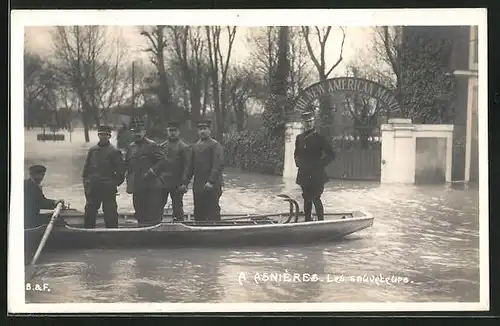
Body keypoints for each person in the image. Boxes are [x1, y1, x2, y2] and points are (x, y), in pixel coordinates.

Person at [124, 120, 168, 227]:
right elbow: (128, 166)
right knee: (139, 213)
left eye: (139, 131)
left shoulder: (152, 145)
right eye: (135, 132)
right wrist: (128, 182)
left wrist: (152, 171)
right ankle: (142, 235)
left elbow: (163, 161)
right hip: (137, 187)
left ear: (144, 132)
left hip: (151, 187)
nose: (137, 134)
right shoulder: (131, 147)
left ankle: (154, 239)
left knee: (153, 215)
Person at [294, 111, 336, 222]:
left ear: (313, 122)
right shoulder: (299, 138)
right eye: (306, 122)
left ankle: (321, 222)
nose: (309, 124)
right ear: (303, 123)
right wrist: (298, 163)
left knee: (316, 198)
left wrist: (320, 164)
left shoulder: (320, 138)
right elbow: (296, 154)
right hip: (304, 174)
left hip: (317, 174)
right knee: (306, 198)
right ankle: (307, 222)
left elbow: (332, 154)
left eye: (311, 122)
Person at [82, 125, 126, 228]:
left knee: (110, 214)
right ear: (98, 135)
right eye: (101, 134)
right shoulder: (92, 150)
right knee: (89, 212)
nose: (103, 137)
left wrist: (112, 184)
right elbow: (86, 171)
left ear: (109, 136)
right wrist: (87, 184)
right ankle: (88, 234)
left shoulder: (114, 151)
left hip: (108, 189)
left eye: (106, 135)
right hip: (93, 188)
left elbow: (121, 172)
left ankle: (112, 235)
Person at [186, 119, 224, 222]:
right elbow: (190, 167)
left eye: (205, 129)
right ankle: (199, 231)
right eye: (200, 129)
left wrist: (211, 181)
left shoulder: (215, 145)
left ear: (209, 130)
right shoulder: (195, 146)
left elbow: (218, 164)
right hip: (198, 185)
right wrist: (184, 183)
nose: (202, 131)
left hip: (212, 185)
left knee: (213, 211)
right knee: (198, 211)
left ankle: (215, 232)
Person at [158, 121, 191, 222]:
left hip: (177, 183)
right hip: (163, 182)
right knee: (158, 205)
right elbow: (158, 165)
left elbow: (187, 166)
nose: (172, 133)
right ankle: (156, 223)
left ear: (179, 132)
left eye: (174, 130)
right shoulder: (162, 146)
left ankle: (179, 224)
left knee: (177, 206)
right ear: (167, 131)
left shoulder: (184, 147)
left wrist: (185, 183)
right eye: (170, 130)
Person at [24, 164, 65, 229]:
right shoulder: (31, 186)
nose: (42, 178)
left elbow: (40, 201)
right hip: (30, 221)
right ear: (34, 175)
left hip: (28, 218)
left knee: (56, 218)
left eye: (43, 175)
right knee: (59, 221)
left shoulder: (29, 184)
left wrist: (55, 202)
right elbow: (42, 202)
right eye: (41, 175)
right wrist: (55, 202)